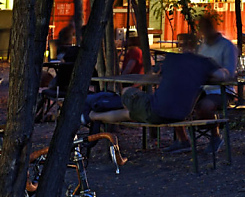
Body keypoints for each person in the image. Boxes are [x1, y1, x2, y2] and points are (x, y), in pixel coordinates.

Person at [86, 50, 231, 152]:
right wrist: (204, 76)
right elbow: (223, 75)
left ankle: (93, 113)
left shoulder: (171, 60)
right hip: (179, 114)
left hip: (156, 110)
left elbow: (154, 74)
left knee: (126, 92)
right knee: (129, 112)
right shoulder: (202, 65)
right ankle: (94, 114)